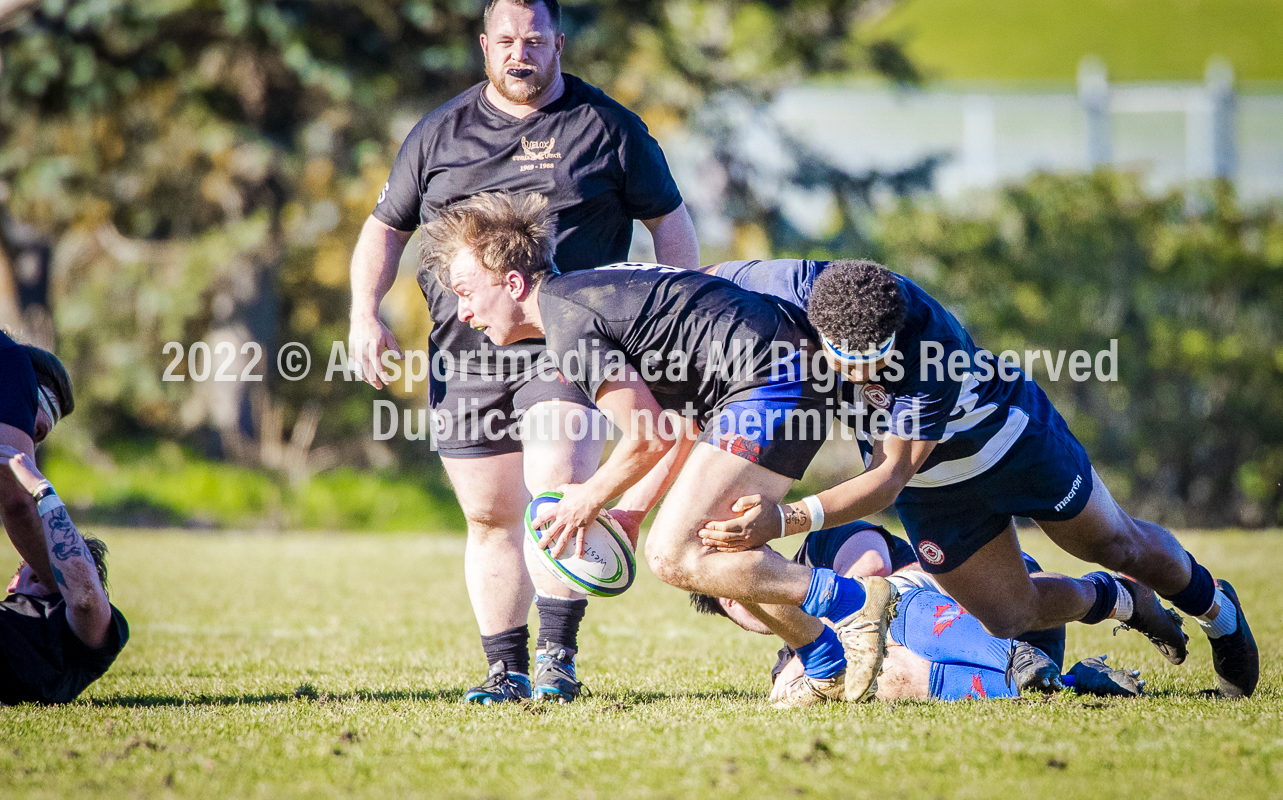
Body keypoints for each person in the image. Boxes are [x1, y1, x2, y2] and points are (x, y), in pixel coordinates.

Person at [345, 0, 699, 703]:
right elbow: (384, 227)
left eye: (534, 39)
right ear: (484, 45)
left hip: (569, 349)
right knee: (487, 515)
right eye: (505, 40)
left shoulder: (608, 128)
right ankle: (503, 669)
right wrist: (364, 314)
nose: (520, 53)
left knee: (557, 489)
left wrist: (673, 316)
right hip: (462, 354)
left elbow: (671, 223)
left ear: (557, 43)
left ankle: (556, 657)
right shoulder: (439, 131)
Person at [421, 191, 900, 708]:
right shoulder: (589, 297)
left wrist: (590, 498)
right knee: (719, 550)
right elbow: (680, 421)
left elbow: (649, 436)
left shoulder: (569, 324)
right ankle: (825, 661)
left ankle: (853, 601)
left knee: (673, 555)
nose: (463, 311)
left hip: (773, 382)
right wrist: (630, 511)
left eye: (466, 291)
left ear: (513, 282)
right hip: (777, 380)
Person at [700, 258, 1258, 699]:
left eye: (877, 359)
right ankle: (1119, 601)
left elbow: (889, 476)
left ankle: (1217, 611)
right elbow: (696, 286)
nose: (863, 374)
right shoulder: (782, 285)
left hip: (1013, 446)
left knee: (1118, 543)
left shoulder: (930, 347)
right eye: (848, 361)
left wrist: (786, 517)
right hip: (934, 492)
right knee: (1009, 615)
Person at [691, 521, 1145, 703]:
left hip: (1001, 595)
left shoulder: (820, 547)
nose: (744, 598)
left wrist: (822, 649)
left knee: (874, 605)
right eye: (730, 600)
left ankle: (1019, 653)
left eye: (742, 580)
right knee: (867, 679)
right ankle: (1066, 684)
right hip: (1020, 655)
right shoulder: (791, 652)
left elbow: (870, 572)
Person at [0, 445, 129, 704]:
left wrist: (42, 490)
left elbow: (84, 597)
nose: (52, 583)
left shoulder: (78, 630)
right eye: (38, 576)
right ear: (14, 582)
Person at [0, 331, 74, 593]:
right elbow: (17, 502)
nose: (28, 444)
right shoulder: (13, 365)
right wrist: (66, 589)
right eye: (37, 433)